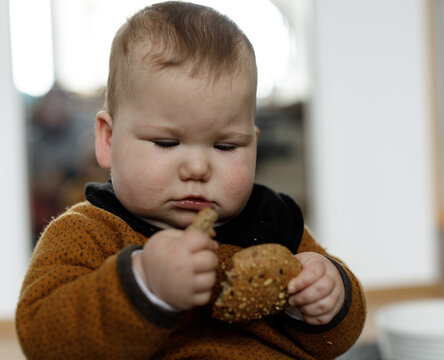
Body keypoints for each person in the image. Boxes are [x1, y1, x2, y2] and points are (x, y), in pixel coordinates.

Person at [16, 2, 366, 359]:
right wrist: (143, 285)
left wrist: (328, 298)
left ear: (254, 147)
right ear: (108, 140)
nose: (197, 168)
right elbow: (42, 339)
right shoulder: (89, 233)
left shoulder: (274, 223)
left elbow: (336, 340)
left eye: (225, 146)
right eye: (167, 143)